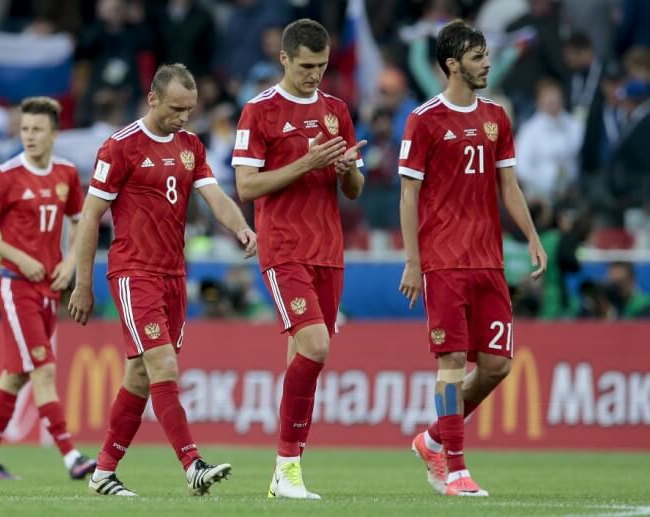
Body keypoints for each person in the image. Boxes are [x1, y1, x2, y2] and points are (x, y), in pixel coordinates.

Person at [68, 63, 257, 497]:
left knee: (139, 375)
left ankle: (102, 473)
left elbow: (214, 197)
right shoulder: (120, 147)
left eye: (189, 109)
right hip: (135, 273)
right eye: (176, 108)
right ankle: (192, 464)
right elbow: (90, 217)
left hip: (174, 274)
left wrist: (240, 228)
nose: (183, 117)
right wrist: (83, 283)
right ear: (153, 99)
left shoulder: (191, 144)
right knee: (163, 365)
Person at [398, 20, 548, 497]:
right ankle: (455, 468)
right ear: (451, 64)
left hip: (489, 260)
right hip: (443, 261)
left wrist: (532, 235)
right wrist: (413, 260)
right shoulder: (423, 119)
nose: (486, 63)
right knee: (451, 364)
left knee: (497, 366)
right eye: (478, 56)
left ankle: (434, 438)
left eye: (486, 55)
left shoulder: (497, 118)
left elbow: (508, 185)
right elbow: (408, 195)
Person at [232, 18, 366, 500]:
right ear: (284, 58)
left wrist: (347, 169)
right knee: (315, 344)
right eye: (307, 65)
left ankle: (284, 473)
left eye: (323, 66)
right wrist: (307, 163)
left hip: (328, 250)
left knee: (305, 353)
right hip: (284, 247)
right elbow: (247, 186)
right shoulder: (260, 111)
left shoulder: (336, 111)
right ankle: (287, 466)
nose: (315, 75)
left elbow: (353, 191)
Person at [0, 97, 94, 480]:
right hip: (15, 285)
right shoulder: (6, 174)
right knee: (43, 369)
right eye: (24, 129)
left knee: (16, 373)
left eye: (37, 130)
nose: (29, 136)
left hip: (50, 288)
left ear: (54, 134)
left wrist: (70, 263)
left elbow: (80, 224)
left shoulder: (67, 174)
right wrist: (18, 257)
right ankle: (72, 456)